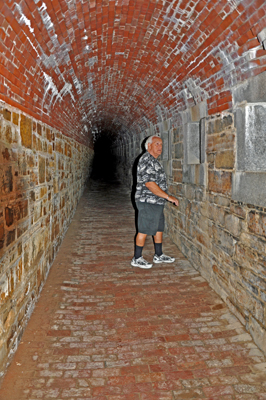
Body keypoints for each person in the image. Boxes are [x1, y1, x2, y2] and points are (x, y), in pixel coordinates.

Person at [131, 135, 179, 269]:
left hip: (156, 201)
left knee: (158, 228)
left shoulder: (154, 161)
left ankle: (158, 255)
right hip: (147, 201)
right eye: (157, 144)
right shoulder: (147, 160)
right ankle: (137, 258)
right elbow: (150, 184)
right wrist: (168, 197)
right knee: (143, 229)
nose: (160, 147)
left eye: (161, 145)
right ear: (149, 145)